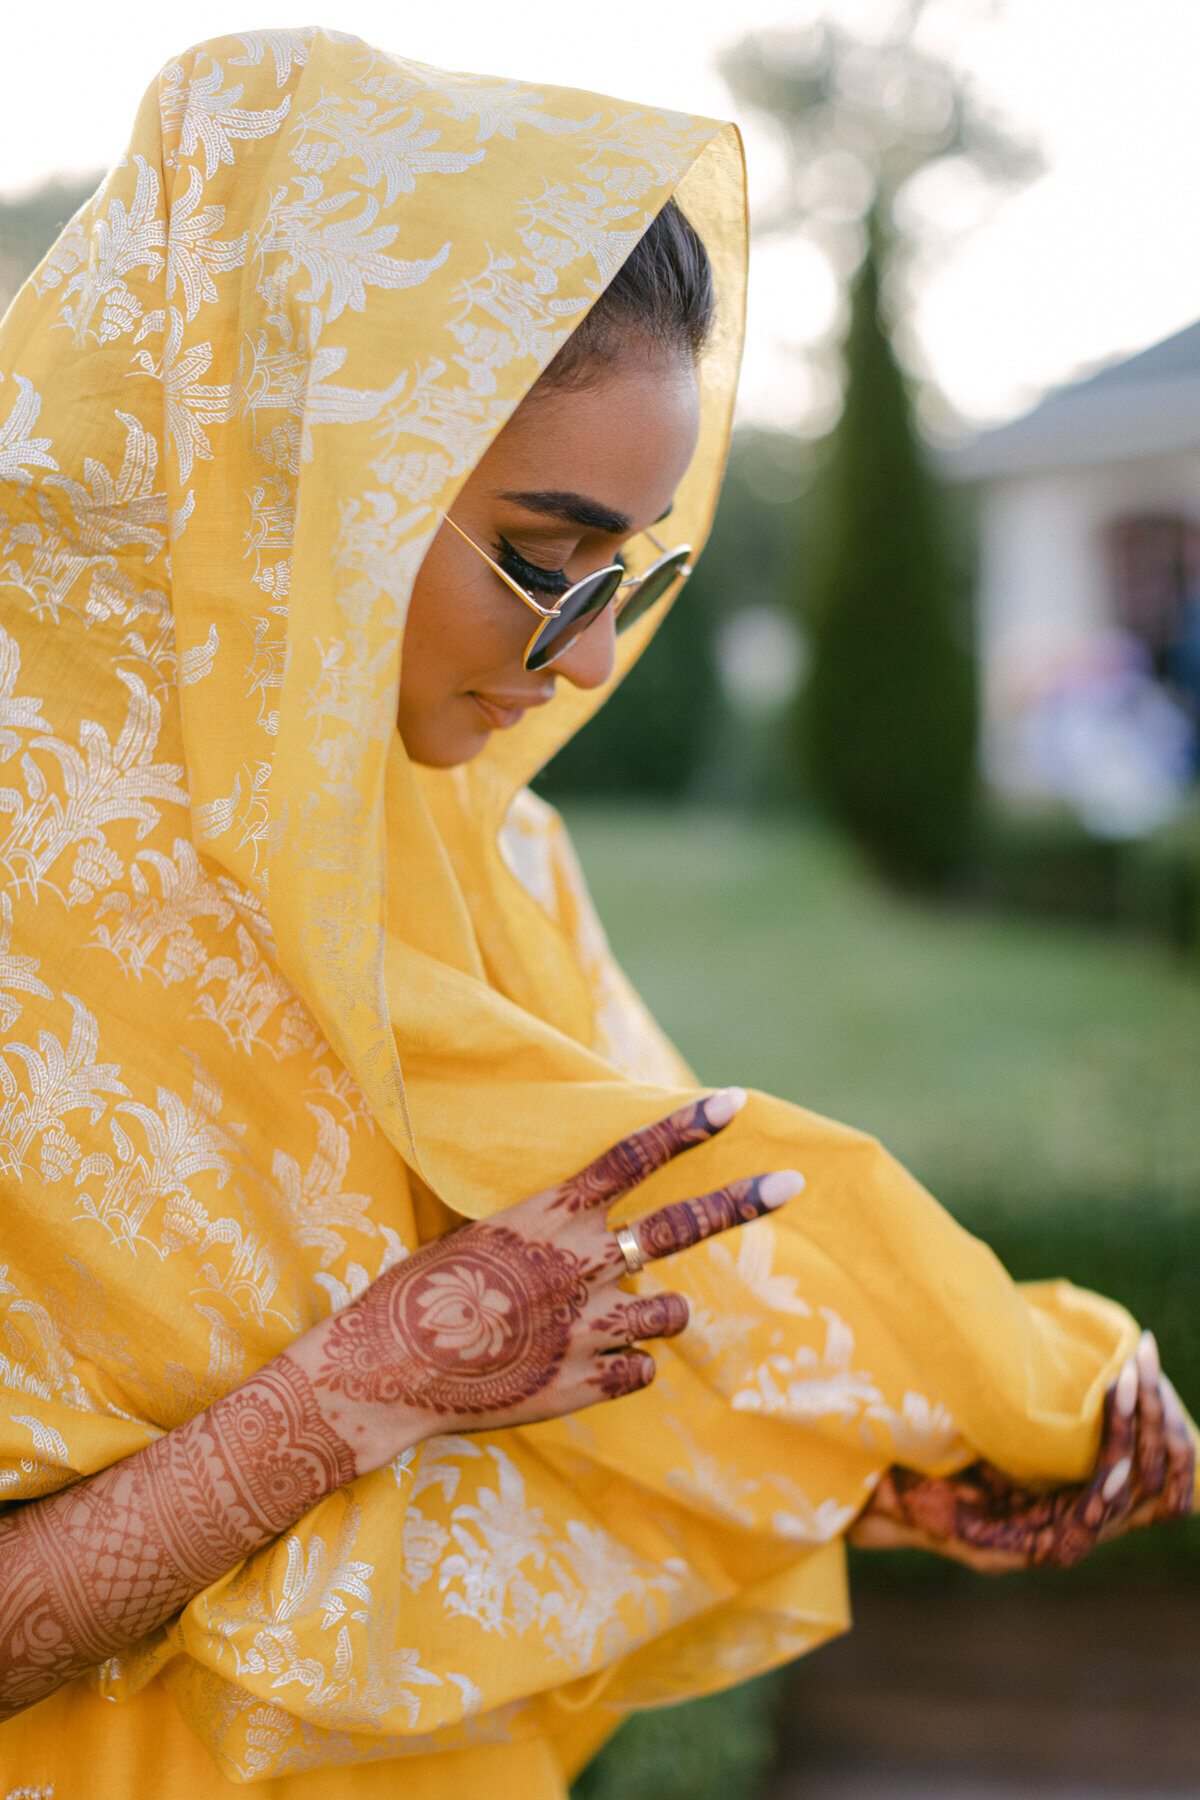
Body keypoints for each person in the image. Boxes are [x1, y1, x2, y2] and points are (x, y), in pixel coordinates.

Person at [0, 27, 1193, 1797]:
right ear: (305, 473)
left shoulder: (492, 857)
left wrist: (898, 1453)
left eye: (631, 573)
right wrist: (356, 1389)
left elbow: (644, 1299)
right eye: (546, 561)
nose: (598, 654)